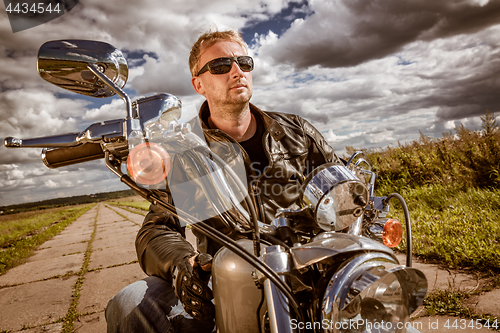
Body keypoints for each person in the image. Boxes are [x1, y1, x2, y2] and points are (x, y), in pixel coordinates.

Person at [105, 28, 342, 333]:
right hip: (228, 284)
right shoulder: (184, 150)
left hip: (309, 273)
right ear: (198, 84)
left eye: (244, 63)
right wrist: (182, 265)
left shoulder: (297, 132)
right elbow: (157, 229)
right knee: (130, 304)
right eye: (220, 66)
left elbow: (345, 192)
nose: (236, 71)